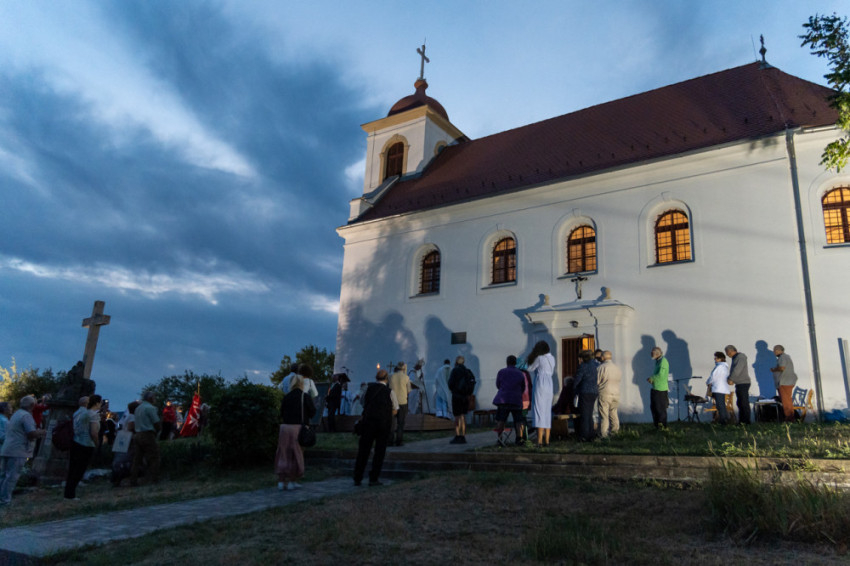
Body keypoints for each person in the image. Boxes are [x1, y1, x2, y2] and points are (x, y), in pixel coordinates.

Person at [353, 369, 398, 487]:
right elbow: (395, 408)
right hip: (383, 424)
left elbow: (363, 402)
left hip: (368, 422)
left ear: (376, 378)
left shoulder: (369, 389)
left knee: (363, 450)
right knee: (379, 452)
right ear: (386, 379)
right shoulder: (390, 392)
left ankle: (358, 477)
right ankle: (373, 478)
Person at [0, 396, 47, 506]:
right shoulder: (26, 416)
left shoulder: (16, 414)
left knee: (3, 475)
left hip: (7, 448)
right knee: (12, 476)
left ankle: (2, 497)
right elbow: (31, 433)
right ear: (32, 405)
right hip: (18, 449)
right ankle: (5, 500)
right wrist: (42, 432)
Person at [276, 374, 316, 491]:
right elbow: (312, 412)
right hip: (298, 428)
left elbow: (281, 412)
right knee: (296, 455)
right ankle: (292, 481)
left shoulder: (286, 397)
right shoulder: (305, 396)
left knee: (283, 454)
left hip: (285, 428)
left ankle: (281, 481)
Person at [64, 394, 102, 500]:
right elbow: (93, 432)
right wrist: (97, 443)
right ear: (97, 403)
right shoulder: (93, 415)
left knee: (73, 468)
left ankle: (68, 492)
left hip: (76, 441)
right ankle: (71, 494)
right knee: (80, 469)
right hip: (86, 444)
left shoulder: (82, 413)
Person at [492, 355, 526, 446]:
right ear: (515, 363)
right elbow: (523, 387)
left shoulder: (501, 372)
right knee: (519, 420)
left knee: (501, 420)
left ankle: (500, 439)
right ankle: (519, 439)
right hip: (516, 399)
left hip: (503, 399)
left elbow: (498, 385)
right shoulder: (520, 373)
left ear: (507, 362)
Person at [527, 340, 555, 447]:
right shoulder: (552, 358)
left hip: (540, 384)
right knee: (547, 412)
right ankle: (547, 441)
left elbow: (530, 368)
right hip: (549, 384)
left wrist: (530, 357)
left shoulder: (540, 358)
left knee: (539, 411)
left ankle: (539, 441)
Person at [130, 391, 161, 486]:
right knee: (154, 456)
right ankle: (154, 478)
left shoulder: (138, 408)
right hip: (147, 434)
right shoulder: (150, 408)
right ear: (150, 398)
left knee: (137, 459)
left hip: (137, 434)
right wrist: (158, 431)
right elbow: (156, 422)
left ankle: (133, 479)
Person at [572, 350, 599, 441]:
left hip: (585, 392)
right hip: (594, 391)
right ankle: (591, 434)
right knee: (590, 414)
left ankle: (584, 435)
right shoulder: (596, 365)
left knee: (585, 415)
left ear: (584, 357)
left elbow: (577, 379)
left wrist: (574, 388)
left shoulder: (583, 366)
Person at [448, 356, 475, 444]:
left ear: (456, 362)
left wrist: (454, 390)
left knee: (457, 417)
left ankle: (457, 435)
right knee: (463, 416)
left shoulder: (455, 370)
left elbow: (450, 384)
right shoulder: (467, 371)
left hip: (456, 396)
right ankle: (463, 436)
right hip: (465, 397)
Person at [113, 401, 140, 487]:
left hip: (122, 438)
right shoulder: (132, 417)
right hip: (129, 439)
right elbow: (131, 427)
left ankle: (116, 478)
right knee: (128, 458)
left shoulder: (126, 416)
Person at [596, 350, 622, 438]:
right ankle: (615, 432)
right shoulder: (617, 368)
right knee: (614, 413)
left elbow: (597, 381)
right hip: (616, 393)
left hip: (605, 393)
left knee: (604, 415)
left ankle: (604, 434)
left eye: (601, 356)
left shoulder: (601, 367)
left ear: (603, 357)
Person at [770, 345, 798, 422]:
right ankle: (790, 418)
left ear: (778, 350)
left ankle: (789, 419)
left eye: (774, 351)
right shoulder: (786, 357)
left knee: (786, 401)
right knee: (787, 400)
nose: (774, 352)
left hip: (785, 382)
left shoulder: (782, 357)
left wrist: (774, 369)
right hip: (787, 381)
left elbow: (782, 368)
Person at [725, 345, 751, 424]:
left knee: (743, 403)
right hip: (739, 383)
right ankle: (742, 420)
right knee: (740, 403)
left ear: (731, 351)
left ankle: (746, 421)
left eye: (727, 353)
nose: (727, 355)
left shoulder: (740, 357)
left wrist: (731, 379)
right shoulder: (735, 358)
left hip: (743, 383)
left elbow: (737, 369)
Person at [389, 363, 411, 446]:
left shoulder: (391, 376)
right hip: (402, 402)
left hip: (392, 401)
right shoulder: (406, 377)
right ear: (403, 368)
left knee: (391, 423)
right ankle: (399, 440)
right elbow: (409, 390)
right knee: (400, 423)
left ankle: (390, 440)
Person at [647, 347, 669, 429]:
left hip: (661, 389)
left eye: (652, 353)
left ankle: (662, 427)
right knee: (654, 408)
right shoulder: (658, 361)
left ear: (657, 353)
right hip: (655, 388)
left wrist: (652, 378)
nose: (651, 354)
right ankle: (657, 426)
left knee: (660, 409)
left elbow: (661, 375)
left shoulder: (663, 361)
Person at [706, 352, 731, 425]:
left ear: (720, 359)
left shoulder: (720, 366)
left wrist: (707, 382)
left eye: (716, 358)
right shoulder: (723, 366)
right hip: (721, 388)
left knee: (720, 405)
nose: (715, 359)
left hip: (718, 388)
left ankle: (723, 421)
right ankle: (723, 420)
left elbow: (713, 377)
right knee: (721, 405)